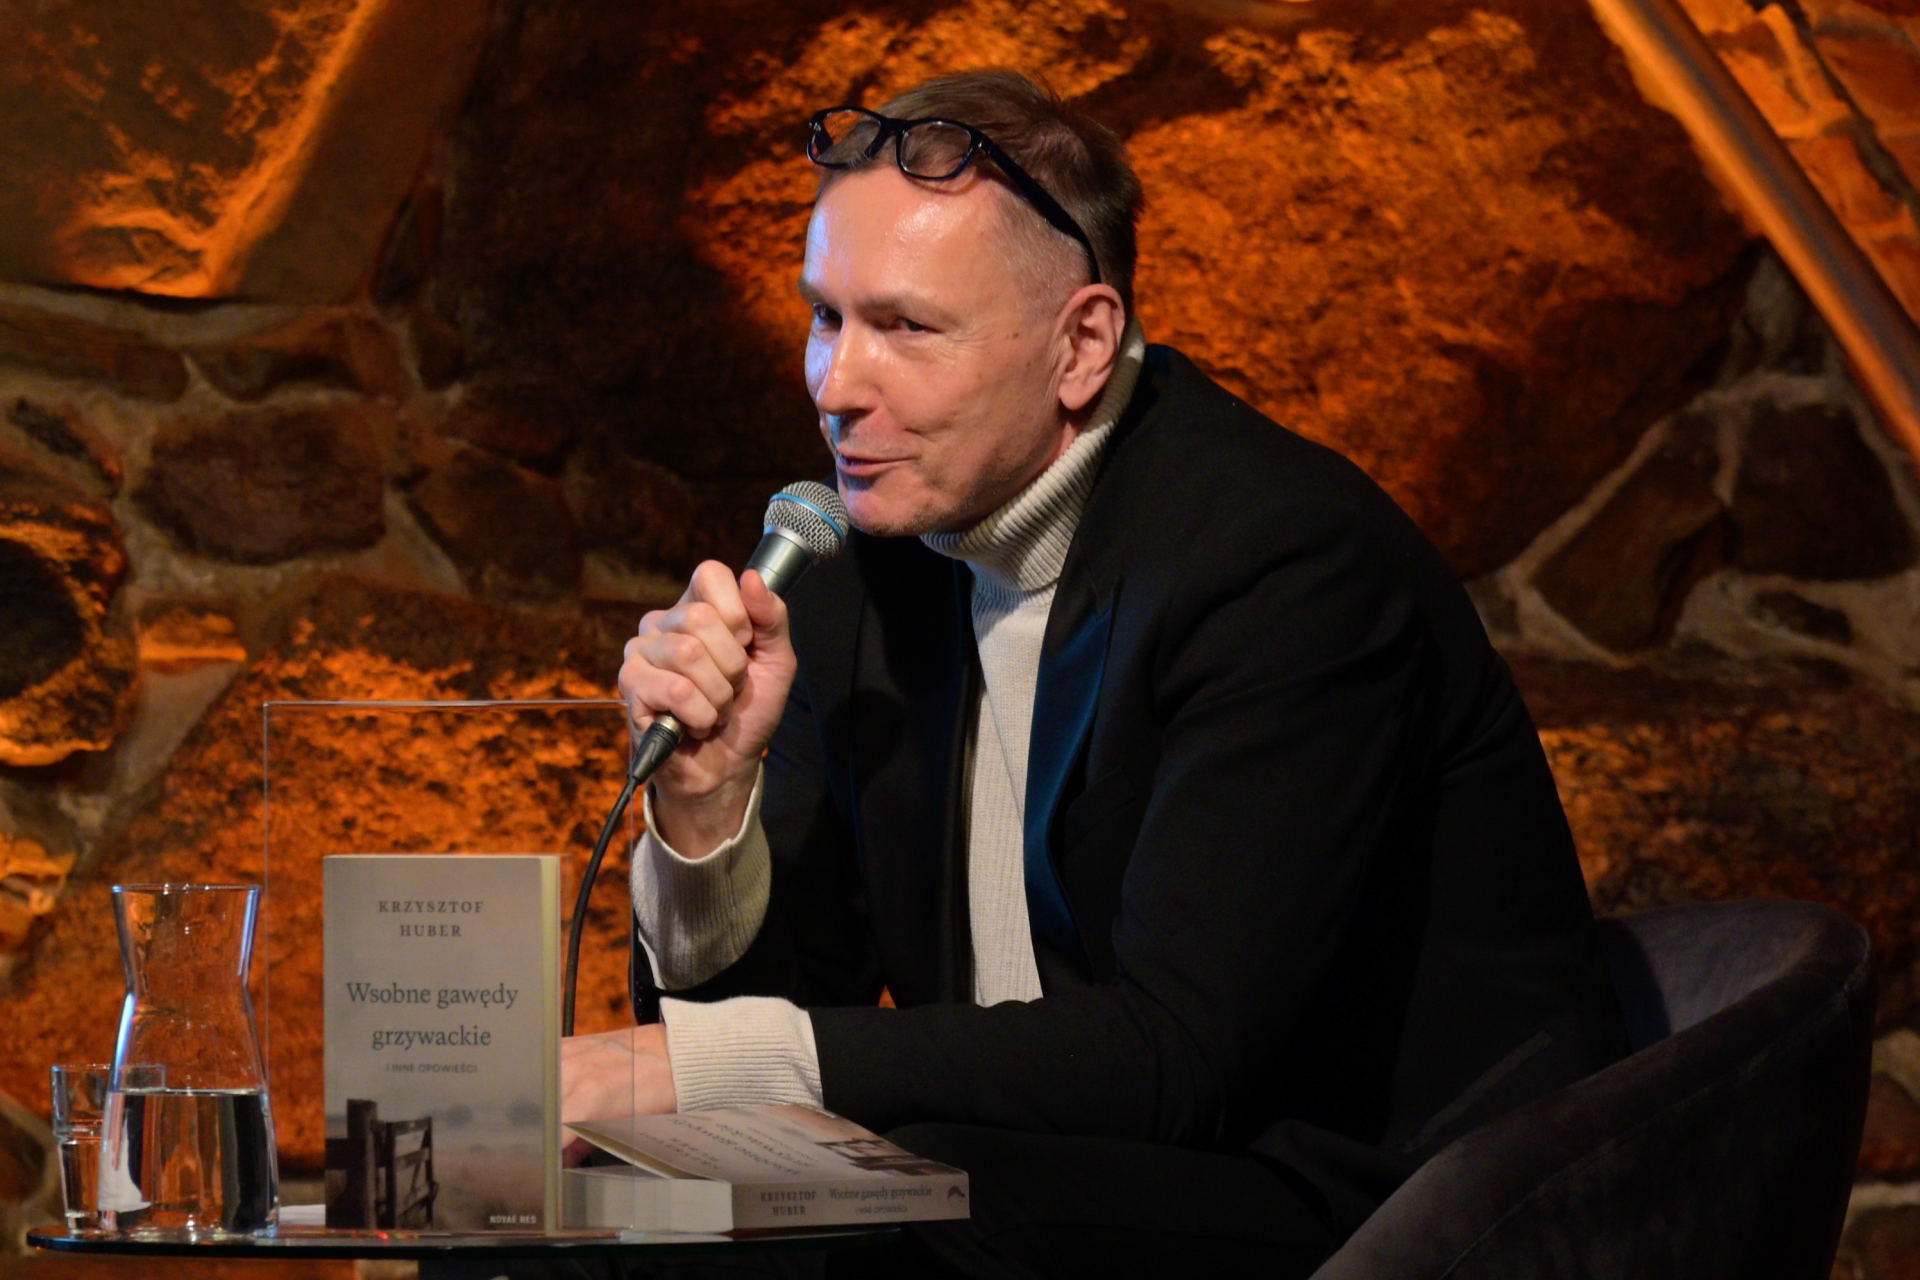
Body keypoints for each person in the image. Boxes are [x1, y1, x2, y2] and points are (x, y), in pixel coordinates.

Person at [563, 70, 1626, 1277]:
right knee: (575, 1205)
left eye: (905, 328)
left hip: (1373, 1203)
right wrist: (706, 812)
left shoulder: (1279, 562)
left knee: (902, 1212)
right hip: (1042, 1172)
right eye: (825, 316)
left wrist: (694, 1067)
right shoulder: (859, 557)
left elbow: (1182, 1052)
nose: (835, 386)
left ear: (1080, 344)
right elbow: (753, 1058)